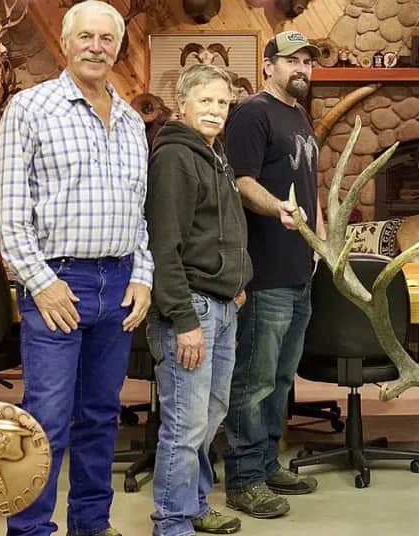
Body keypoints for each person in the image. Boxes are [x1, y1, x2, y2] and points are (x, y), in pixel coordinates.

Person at [0, 2, 152, 535]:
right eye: (86, 36)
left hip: (118, 284)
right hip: (59, 282)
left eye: (107, 38)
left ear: (117, 47)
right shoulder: (31, 108)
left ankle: (91, 524)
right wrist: (41, 285)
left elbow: (141, 212)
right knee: (46, 421)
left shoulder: (130, 120)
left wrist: (143, 275)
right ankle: (30, 530)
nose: (96, 47)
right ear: (66, 41)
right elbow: (8, 212)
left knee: (102, 419)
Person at [221, 30, 326, 520]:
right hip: (264, 274)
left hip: (299, 268)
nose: (302, 68)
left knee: (282, 379)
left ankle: (266, 463)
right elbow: (241, 183)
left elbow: (310, 187)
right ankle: (243, 478)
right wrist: (279, 208)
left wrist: (320, 239)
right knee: (255, 381)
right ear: (269, 66)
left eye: (307, 61)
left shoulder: (300, 115)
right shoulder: (251, 113)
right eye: (292, 61)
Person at [145, 62, 253, 536]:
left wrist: (237, 280)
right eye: (205, 101)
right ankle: (171, 522)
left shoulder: (213, 154)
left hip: (223, 305)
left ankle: (192, 505)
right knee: (185, 426)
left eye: (222, 102)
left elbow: (219, 230)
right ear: (183, 103)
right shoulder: (174, 157)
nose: (215, 110)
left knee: (210, 419)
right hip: (192, 309)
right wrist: (183, 318)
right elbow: (164, 245)